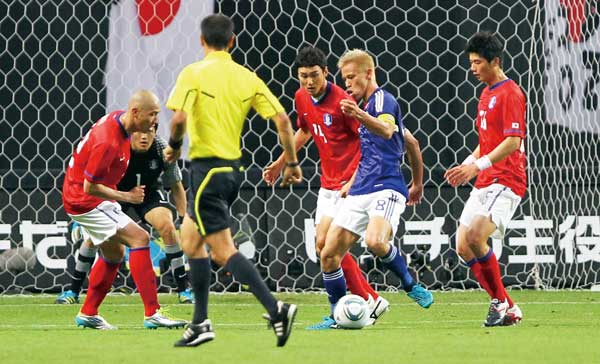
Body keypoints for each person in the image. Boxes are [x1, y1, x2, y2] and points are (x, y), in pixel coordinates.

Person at [164, 14, 302, 347]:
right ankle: (200, 323)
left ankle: (276, 308)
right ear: (232, 41)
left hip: (206, 170)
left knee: (223, 251)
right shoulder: (246, 77)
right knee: (191, 241)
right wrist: (292, 162)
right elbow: (283, 120)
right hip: (231, 172)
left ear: (201, 41)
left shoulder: (193, 73)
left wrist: (172, 146)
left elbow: (179, 117)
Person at [262, 46, 390, 330]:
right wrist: (281, 162)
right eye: (303, 76)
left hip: (351, 185)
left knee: (329, 249)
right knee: (323, 246)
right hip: (327, 184)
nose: (309, 82)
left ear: (326, 73)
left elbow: (368, 142)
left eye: (314, 76)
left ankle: (355, 304)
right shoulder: (301, 97)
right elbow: (305, 130)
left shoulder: (343, 102)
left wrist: (354, 180)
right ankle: (369, 299)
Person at [318, 49, 434, 320]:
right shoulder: (369, 107)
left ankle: (410, 284)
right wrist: (352, 181)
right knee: (328, 253)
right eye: (344, 79)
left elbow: (386, 130)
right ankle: (336, 313)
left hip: (387, 186)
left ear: (368, 73)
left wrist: (357, 114)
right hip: (360, 189)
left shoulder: (384, 100)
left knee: (375, 241)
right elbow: (411, 144)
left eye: (351, 78)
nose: (346, 84)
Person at [61, 89, 187, 330]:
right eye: (152, 115)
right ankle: (153, 313)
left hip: (82, 195)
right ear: (136, 112)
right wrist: (126, 196)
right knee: (140, 238)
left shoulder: (120, 121)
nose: (155, 121)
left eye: (157, 115)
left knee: (114, 254)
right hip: (85, 199)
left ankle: (88, 313)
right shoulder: (107, 142)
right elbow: (90, 186)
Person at [56, 125, 194, 305]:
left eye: (149, 131)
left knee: (167, 227)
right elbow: (93, 181)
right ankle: (72, 291)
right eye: (140, 131)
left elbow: (176, 185)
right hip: (114, 192)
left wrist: (183, 220)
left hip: (147, 192)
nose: (144, 136)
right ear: (130, 131)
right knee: (94, 238)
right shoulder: (116, 146)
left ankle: (184, 289)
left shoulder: (162, 149)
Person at [444, 31, 525, 326]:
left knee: (477, 236)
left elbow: (513, 141)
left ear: (496, 61)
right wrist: (466, 164)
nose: (473, 68)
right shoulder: (485, 94)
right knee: (463, 245)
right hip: (485, 178)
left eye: (478, 63)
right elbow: (486, 140)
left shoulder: (510, 93)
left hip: (507, 178)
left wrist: (477, 166)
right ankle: (508, 305)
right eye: (471, 63)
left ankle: (499, 302)